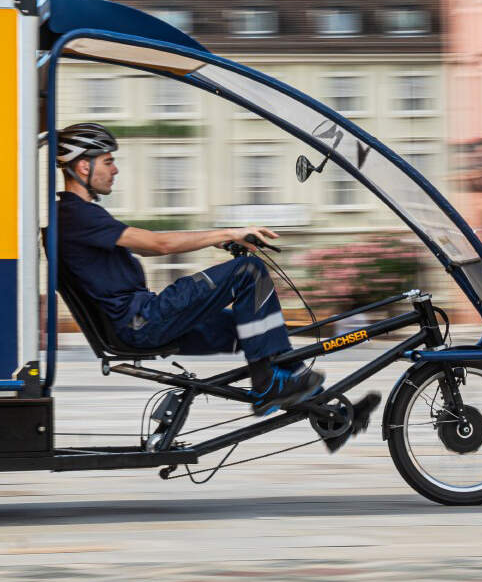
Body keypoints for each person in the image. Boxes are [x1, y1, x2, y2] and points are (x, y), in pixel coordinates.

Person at [52, 123, 324, 414]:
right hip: (142, 321)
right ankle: (269, 384)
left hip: (140, 323)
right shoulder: (77, 215)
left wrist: (212, 242)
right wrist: (227, 233)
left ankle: (324, 409)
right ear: (83, 166)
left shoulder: (78, 216)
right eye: (108, 161)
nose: (115, 170)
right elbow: (159, 244)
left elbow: (144, 246)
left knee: (251, 328)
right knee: (249, 271)